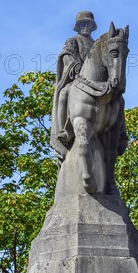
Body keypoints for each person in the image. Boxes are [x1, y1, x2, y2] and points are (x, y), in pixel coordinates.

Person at [51, 11, 97, 166]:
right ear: (78, 27)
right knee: (64, 93)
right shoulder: (73, 41)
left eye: (88, 24)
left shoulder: (97, 44)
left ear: (92, 26)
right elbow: (66, 55)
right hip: (78, 79)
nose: (86, 27)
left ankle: (121, 133)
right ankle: (64, 129)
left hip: (96, 83)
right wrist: (75, 66)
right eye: (83, 24)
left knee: (118, 100)